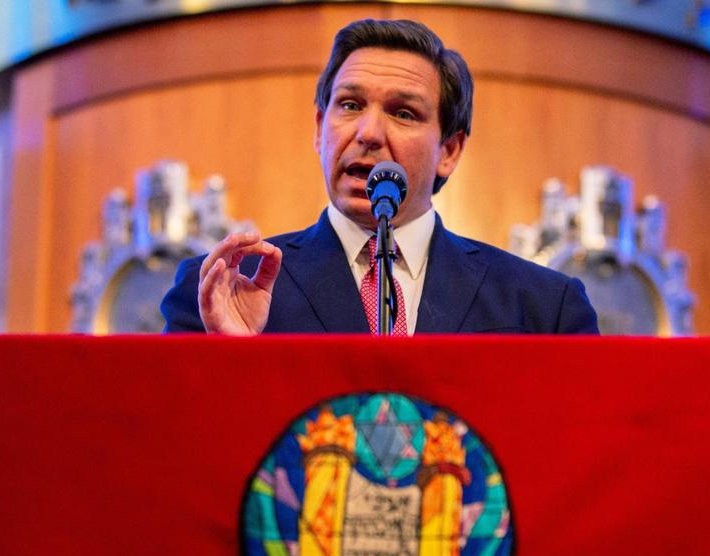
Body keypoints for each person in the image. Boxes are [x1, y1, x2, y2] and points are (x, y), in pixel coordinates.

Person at [160, 18, 598, 335]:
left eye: (403, 113)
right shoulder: (218, 290)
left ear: (449, 150)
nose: (368, 134)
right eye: (350, 105)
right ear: (319, 128)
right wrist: (231, 359)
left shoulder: (543, 307)